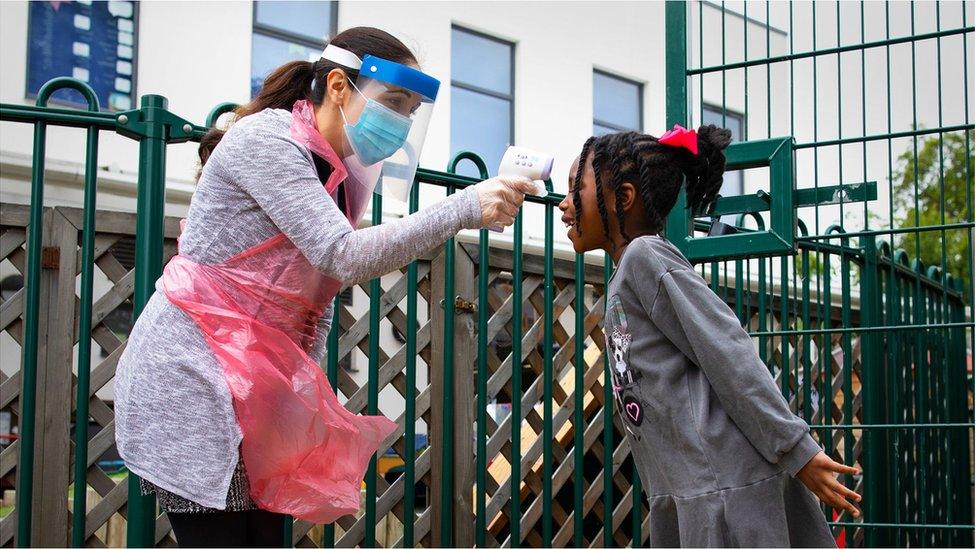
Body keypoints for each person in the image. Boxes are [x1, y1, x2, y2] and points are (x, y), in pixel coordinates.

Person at [114, 26, 536, 547]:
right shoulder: (269, 141)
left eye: (410, 110)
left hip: (251, 385)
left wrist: (295, 396)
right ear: (338, 85)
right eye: (394, 102)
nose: (401, 122)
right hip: (192, 379)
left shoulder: (337, 170)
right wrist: (465, 207)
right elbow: (341, 255)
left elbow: (315, 293)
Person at [558, 125, 861, 547]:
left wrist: (797, 449)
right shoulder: (626, 274)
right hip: (690, 490)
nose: (563, 205)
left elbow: (727, 350)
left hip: (726, 490)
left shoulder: (647, 257)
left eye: (576, 191)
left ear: (622, 198)